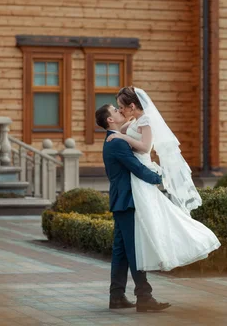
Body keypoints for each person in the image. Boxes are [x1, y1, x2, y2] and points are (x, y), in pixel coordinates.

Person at [108, 86, 221, 272]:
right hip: (134, 173)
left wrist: (122, 137)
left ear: (133, 105)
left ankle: (181, 245)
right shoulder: (134, 121)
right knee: (149, 216)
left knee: (154, 214)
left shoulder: (146, 120)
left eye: (122, 106)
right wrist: (121, 127)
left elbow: (145, 147)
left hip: (141, 169)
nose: (120, 109)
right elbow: (123, 128)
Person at [95, 104, 172, 313]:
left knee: (121, 251)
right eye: (115, 110)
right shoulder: (116, 142)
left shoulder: (116, 137)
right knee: (134, 249)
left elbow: (134, 123)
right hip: (128, 200)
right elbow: (136, 168)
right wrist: (159, 178)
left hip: (122, 200)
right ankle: (144, 297)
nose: (119, 111)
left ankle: (117, 296)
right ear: (109, 120)